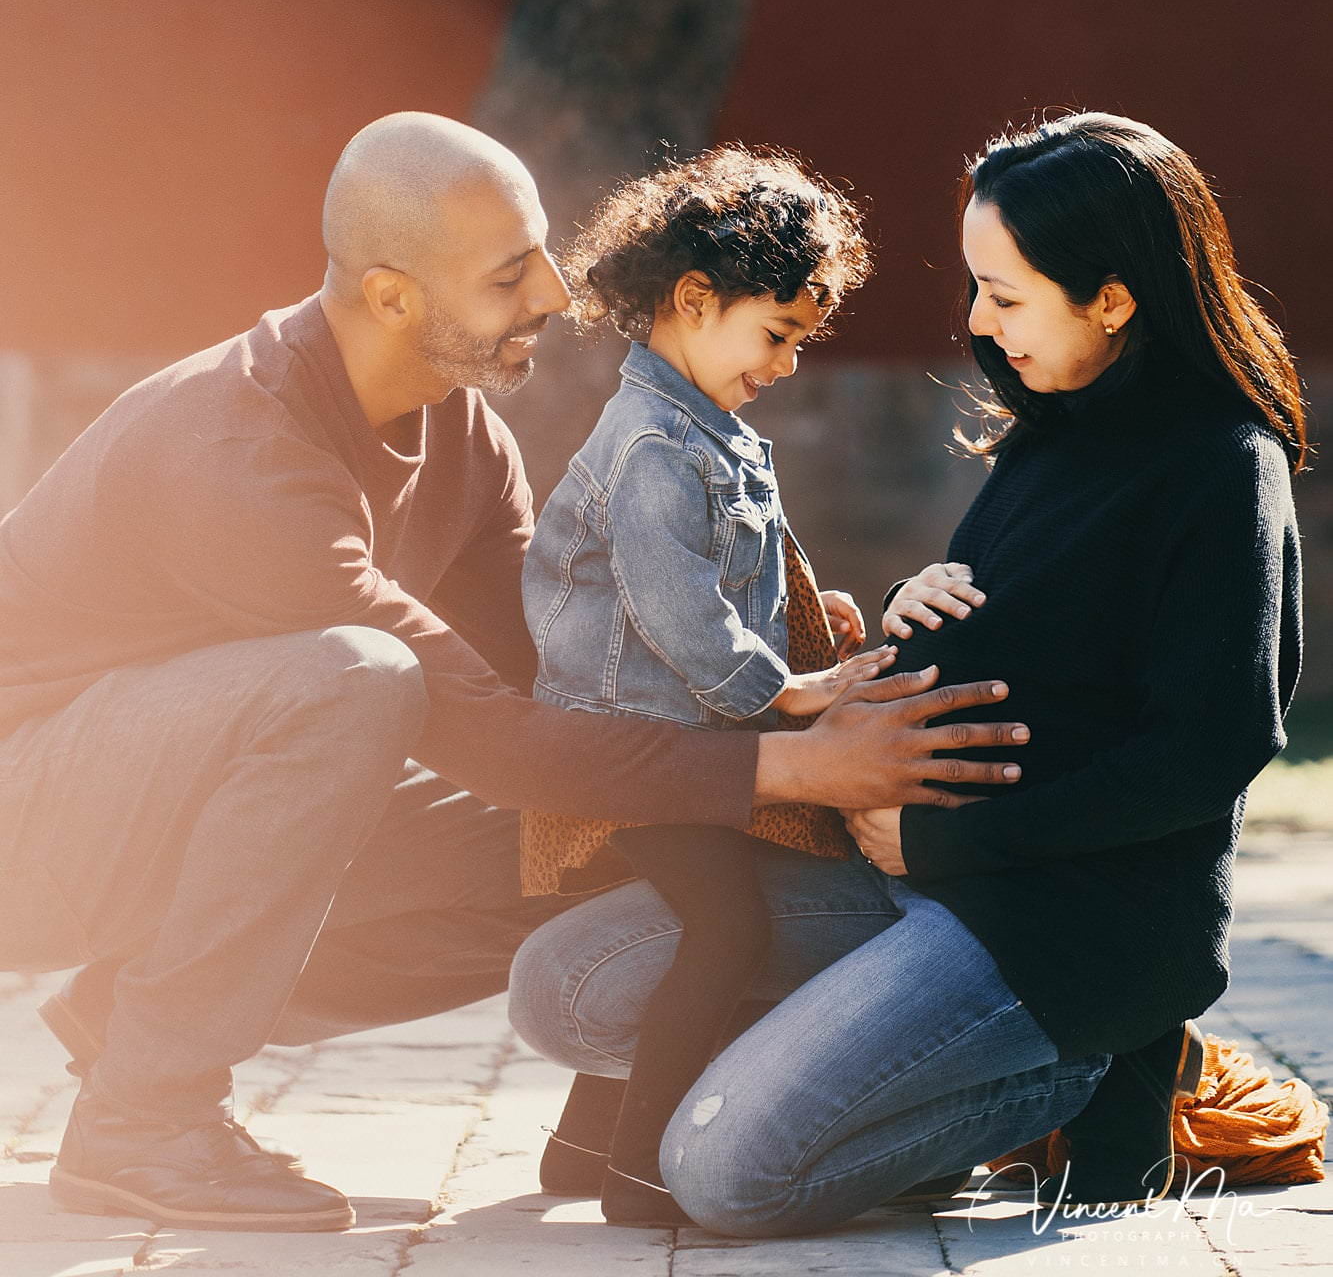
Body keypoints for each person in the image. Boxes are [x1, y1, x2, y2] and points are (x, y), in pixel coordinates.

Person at [0, 111, 1029, 1234]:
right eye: (507, 273)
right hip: (32, 821)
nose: (553, 290)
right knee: (359, 677)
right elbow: (478, 726)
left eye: (538, 249)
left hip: (161, 805)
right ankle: (147, 1118)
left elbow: (567, 682)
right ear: (392, 295)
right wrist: (794, 766)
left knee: (584, 813)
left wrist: (782, 663)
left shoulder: (460, 433)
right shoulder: (236, 450)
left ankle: (150, 1023)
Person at [508, 111, 1303, 1235]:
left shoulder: (1223, 469)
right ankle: (888, 1074)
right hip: (914, 884)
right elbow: (1023, 621)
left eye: (1005, 294)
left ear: (1113, 298)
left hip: (1057, 922)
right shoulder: (1053, 427)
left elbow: (1202, 754)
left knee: (723, 1171)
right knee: (560, 989)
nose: (976, 320)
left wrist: (942, 838)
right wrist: (902, 609)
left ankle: (1089, 1071)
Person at [518, 146, 918, 1224]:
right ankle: (643, 1175)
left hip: (672, 735)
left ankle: (580, 1141)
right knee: (729, 925)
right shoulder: (652, 442)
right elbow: (680, 613)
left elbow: (732, 570)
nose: (787, 362)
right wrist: (788, 692)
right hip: (630, 750)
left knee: (726, 897)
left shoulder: (706, 427)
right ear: (695, 299)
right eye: (776, 332)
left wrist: (808, 611)